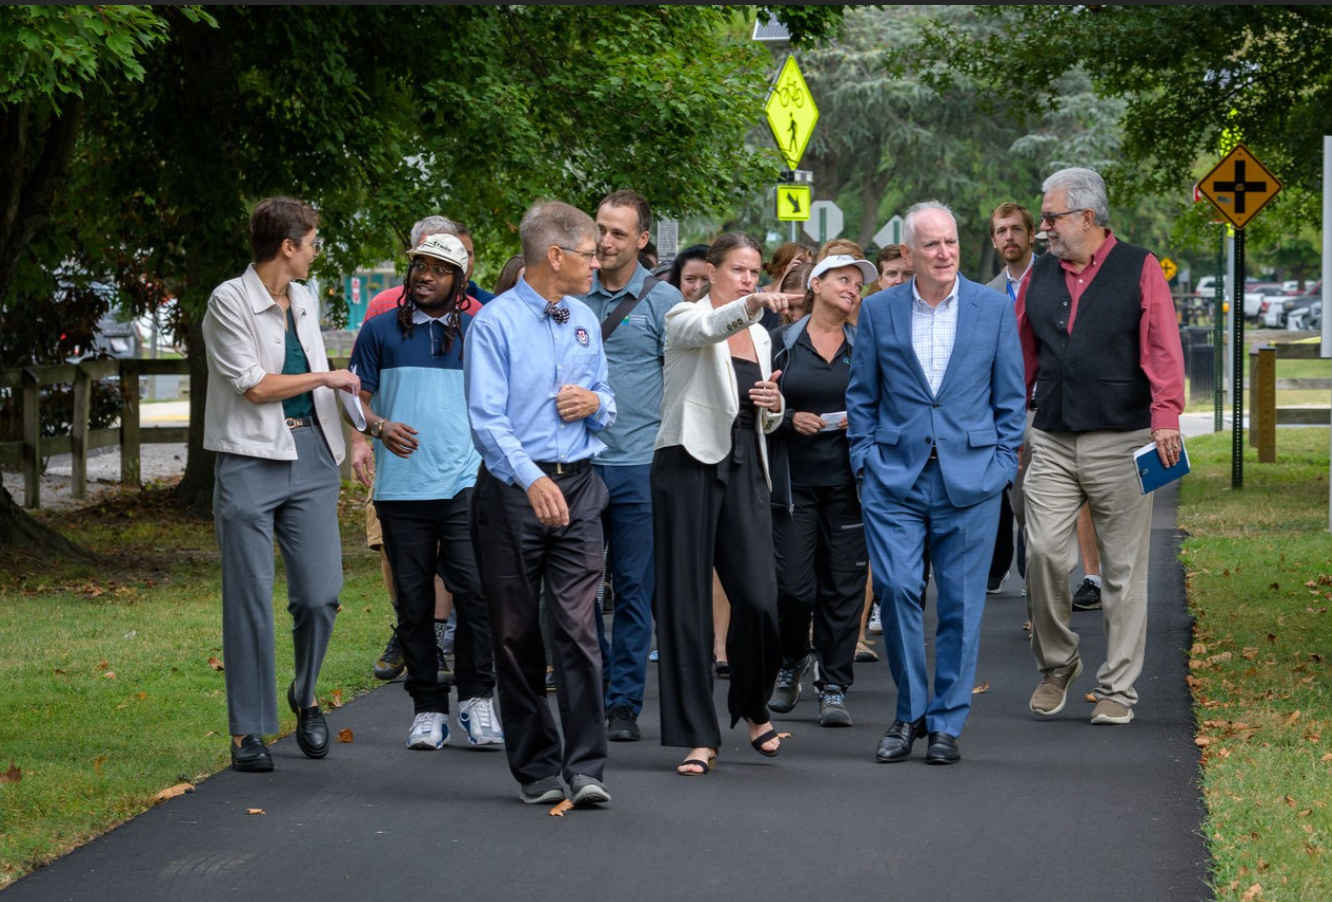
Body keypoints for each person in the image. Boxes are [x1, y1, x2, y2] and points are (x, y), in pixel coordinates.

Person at [847, 201, 1025, 765]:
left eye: (949, 242)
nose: (944, 253)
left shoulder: (992, 309)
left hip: (971, 481)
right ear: (909, 253)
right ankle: (910, 712)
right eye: (931, 245)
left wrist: (1000, 465)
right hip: (894, 480)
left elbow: (1011, 399)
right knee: (898, 591)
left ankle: (947, 721)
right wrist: (866, 460)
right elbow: (862, 396)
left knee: (961, 606)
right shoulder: (878, 312)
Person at [1017, 167, 1185, 727]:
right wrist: (1009, 413)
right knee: (1041, 551)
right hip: (1053, 436)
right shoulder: (1037, 276)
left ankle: (1118, 688)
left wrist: (1166, 416)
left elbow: (1161, 343)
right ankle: (1058, 663)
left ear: (1087, 217)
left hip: (1124, 438)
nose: (1044, 228)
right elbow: (1022, 351)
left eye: (1051, 217)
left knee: (1122, 569)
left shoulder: (1140, 268)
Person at [464, 201, 616, 807]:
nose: (597, 261)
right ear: (555, 255)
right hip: (511, 495)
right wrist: (530, 479)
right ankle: (537, 768)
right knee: (516, 634)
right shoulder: (494, 324)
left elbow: (607, 395)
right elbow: (486, 420)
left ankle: (586, 769)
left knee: (579, 627)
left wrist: (594, 405)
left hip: (578, 486)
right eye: (589, 252)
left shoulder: (583, 317)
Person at [202, 196, 359, 773]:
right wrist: (325, 374)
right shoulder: (228, 301)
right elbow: (252, 385)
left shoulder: (307, 297)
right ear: (288, 246)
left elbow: (318, 382)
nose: (316, 251)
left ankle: (305, 692)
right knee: (249, 600)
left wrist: (359, 425)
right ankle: (247, 730)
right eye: (312, 241)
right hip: (249, 459)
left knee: (320, 594)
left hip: (313, 455)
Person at [348, 233, 503, 751]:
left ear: (459, 280)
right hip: (401, 489)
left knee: (477, 594)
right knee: (414, 605)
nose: (425, 276)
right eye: (419, 266)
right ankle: (428, 709)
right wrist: (376, 428)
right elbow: (355, 402)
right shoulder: (377, 331)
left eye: (439, 268)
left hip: (465, 483)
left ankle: (479, 700)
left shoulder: (481, 329)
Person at [652, 231, 798, 776]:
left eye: (754, 271)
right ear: (711, 271)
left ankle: (753, 705)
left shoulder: (760, 336)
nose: (749, 279)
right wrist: (753, 304)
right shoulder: (684, 318)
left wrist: (773, 403)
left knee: (760, 598)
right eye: (738, 269)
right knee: (686, 604)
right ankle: (698, 734)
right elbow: (713, 325)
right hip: (686, 463)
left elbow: (765, 413)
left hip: (744, 462)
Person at [577, 189, 683, 743]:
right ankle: (590, 691)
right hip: (581, 464)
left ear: (643, 239)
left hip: (641, 463)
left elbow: (682, 381)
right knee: (582, 588)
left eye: (619, 232)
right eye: (601, 229)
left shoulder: (664, 302)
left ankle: (623, 703)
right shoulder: (572, 296)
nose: (606, 241)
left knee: (636, 588)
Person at [767, 254, 877, 728]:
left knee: (843, 588)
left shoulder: (866, 345)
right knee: (793, 589)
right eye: (843, 279)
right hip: (794, 487)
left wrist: (864, 421)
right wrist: (792, 418)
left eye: (858, 283)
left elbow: (887, 402)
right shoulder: (781, 344)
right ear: (816, 283)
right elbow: (756, 408)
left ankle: (833, 683)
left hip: (849, 485)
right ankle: (793, 659)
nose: (853, 288)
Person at [984, 202, 1038, 594]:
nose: (1009, 237)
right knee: (1016, 501)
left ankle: (1040, 601)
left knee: (1042, 506)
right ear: (993, 239)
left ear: (1031, 234)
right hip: (1002, 412)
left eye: (1016, 229)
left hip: (1044, 409)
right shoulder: (986, 294)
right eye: (1001, 231)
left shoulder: (1054, 279)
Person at [454, 224, 496, 304]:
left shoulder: (491, 305)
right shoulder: (424, 301)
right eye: (457, 253)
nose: (463, 260)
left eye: (468, 254)